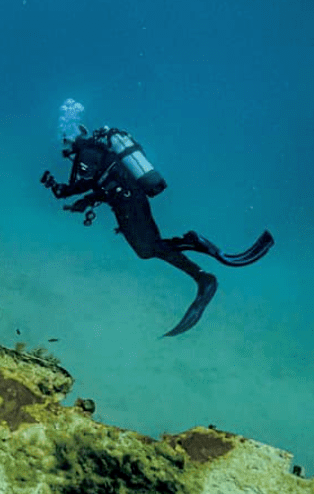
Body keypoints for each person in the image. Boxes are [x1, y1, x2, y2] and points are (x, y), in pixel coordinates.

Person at [41, 124, 274, 336]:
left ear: (72, 139)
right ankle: (200, 272)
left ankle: (201, 269)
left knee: (148, 248)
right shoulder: (98, 152)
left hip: (129, 204)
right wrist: (84, 202)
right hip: (129, 203)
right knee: (149, 248)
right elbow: (101, 183)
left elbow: (85, 183)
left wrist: (60, 190)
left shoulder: (87, 155)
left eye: (65, 142)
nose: (64, 149)